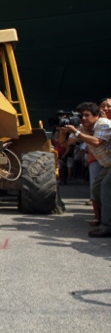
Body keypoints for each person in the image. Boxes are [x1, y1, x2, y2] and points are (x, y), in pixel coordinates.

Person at [59, 102, 111, 238]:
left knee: (106, 187)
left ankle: (107, 227)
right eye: (81, 115)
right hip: (108, 165)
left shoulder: (103, 123)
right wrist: (62, 132)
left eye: (87, 115)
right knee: (97, 189)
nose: (83, 118)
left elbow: (96, 142)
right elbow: (64, 144)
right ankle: (104, 218)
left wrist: (75, 132)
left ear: (96, 115)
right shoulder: (83, 128)